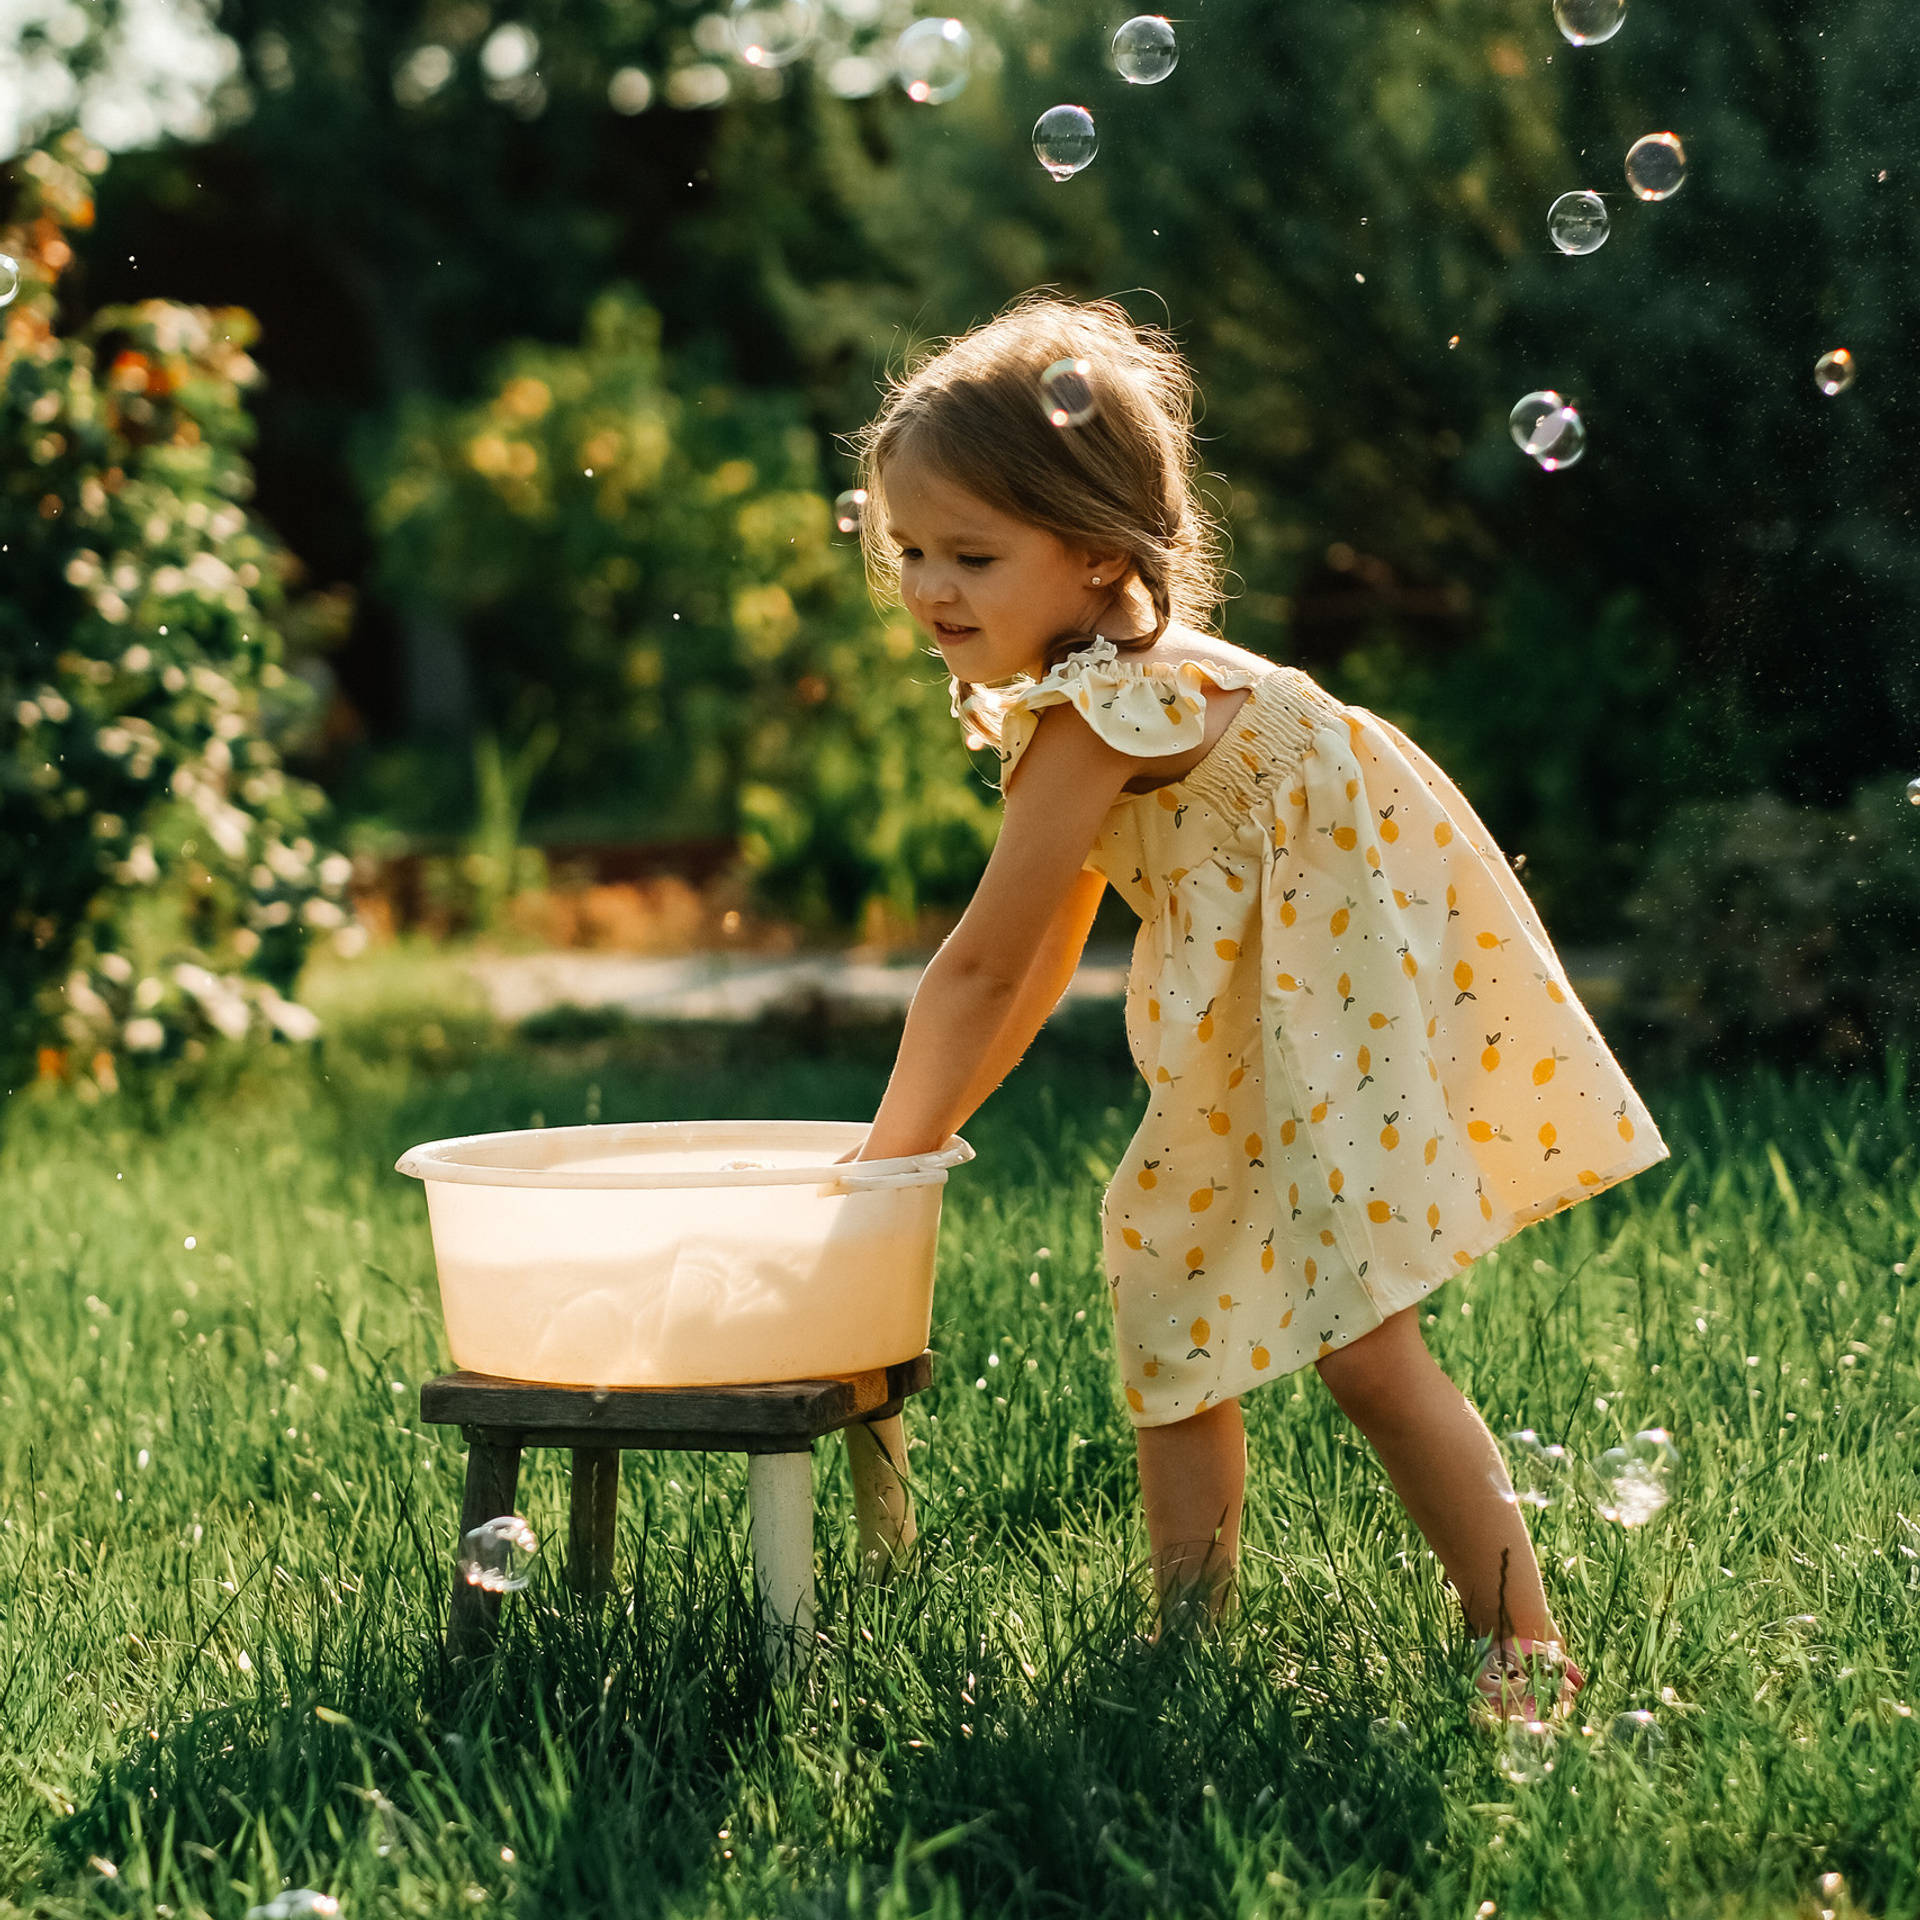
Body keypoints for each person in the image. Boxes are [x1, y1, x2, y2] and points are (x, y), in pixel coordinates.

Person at [839, 294, 1668, 1712]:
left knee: (1366, 1350)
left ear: (1100, 552)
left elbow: (980, 963)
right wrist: (920, 1136)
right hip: (1291, 1022)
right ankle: (1190, 1646)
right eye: (909, 550)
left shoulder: (1103, 711)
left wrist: (885, 1158)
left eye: (973, 554)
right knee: (1170, 1285)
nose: (931, 588)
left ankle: (1525, 1642)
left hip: (1330, 1029)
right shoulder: (1111, 690)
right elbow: (1037, 964)